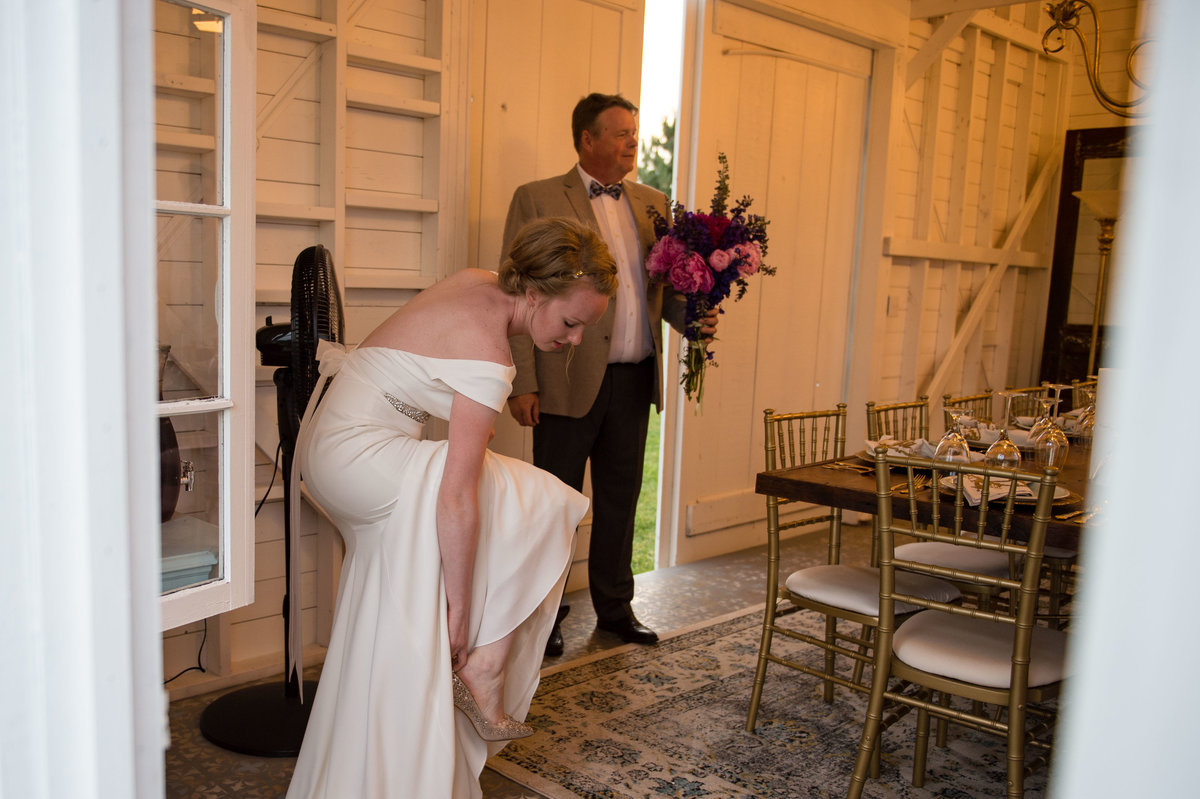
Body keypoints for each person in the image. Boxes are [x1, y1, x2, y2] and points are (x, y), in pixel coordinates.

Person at [285, 217, 619, 799]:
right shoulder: (490, 356)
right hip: (359, 457)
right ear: (535, 293)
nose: (575, 340)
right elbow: (456, 497)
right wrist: (459, 612)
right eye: (570, 322)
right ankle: (484, 665)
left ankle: (385, 752)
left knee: (504, 499)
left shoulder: (477, 281)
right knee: (539, 499)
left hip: (328, 446)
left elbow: (418, 370)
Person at [503, 93, 718, 655]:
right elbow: (518, 293)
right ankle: (542, 619)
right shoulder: (537, 198)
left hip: (633, 378)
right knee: (553, 507)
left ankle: (616, 609)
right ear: (587, 140)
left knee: (621, 499)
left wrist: (696, 317)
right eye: (620, 133)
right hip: (564, 379)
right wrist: (523, 380)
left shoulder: (652, 205)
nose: (631, 144)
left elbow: (664, 291)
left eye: (634, 133)